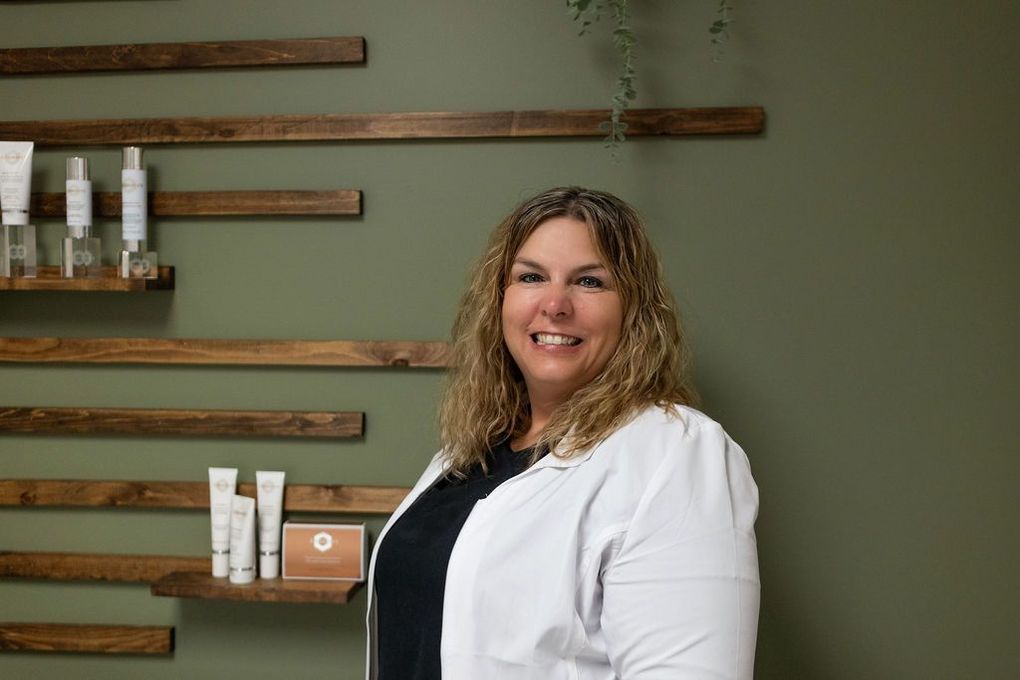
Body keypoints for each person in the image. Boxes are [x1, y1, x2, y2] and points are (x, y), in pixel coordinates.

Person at [366, 187, 760, 680]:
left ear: (633, 311)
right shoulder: (472, 450)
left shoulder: (676, 454)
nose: (554, 304)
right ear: (500, 300)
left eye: (590, 282)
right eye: (531, 277)